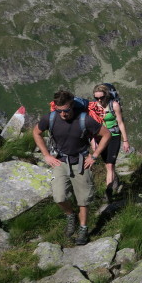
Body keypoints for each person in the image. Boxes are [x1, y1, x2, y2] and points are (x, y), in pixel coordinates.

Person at [33, 89, 111, 245]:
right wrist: (46, 155)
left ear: (72, 105)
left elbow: (106, 134)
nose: (63, 114)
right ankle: (70, 215)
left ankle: (83, 229)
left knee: (83, 200)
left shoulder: (85, 120)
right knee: (59, 196)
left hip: (81, 161)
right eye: (59, 110)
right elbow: (36, 132)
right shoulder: (50, 118)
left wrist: (94, 156)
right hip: (60, 161)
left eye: (67, 110)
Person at [91, 83, 130, 202]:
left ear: (106, 96)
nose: (99, 100)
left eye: (101, 98)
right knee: (107, 164)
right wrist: (93, 142)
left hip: (114, 136)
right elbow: (90, 127)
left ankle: (108, 192)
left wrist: (125, 140)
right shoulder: (93, 107)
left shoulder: (114, 105)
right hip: (100, 138)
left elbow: (120, 123)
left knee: (109, 165)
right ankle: (115, 180)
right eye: (96, 98)